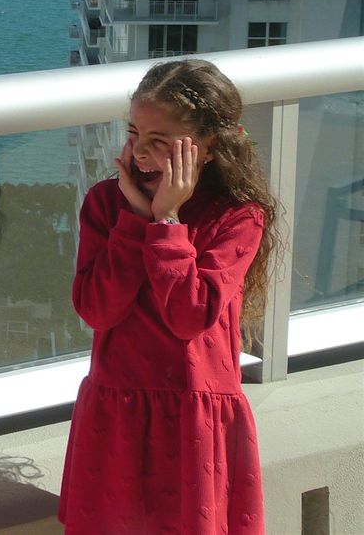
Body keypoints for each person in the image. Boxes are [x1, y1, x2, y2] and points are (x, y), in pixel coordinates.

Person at [58, 58, 276, 535]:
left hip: (194, 417)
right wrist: (134, 222)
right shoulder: (105, 204)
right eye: (135, 133)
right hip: (115, 413)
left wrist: (167, 222)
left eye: (160, 142)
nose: (139, 152)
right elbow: (96, 308)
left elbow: (189, 315)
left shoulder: (237, 217)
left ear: (210, 146)